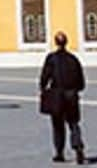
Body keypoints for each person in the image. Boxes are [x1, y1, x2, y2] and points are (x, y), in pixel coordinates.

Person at [37, 31, 87, 164]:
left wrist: (42, 88)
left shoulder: (51, 58)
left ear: (55, 42)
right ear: (66, 42)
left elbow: (45, 75)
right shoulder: (73, 59)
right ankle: (78, 147)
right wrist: (76, 89)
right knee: (74, 123)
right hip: (71, 95)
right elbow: (81, 81)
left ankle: (59, 152)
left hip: (57, 95)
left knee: (58, 125)